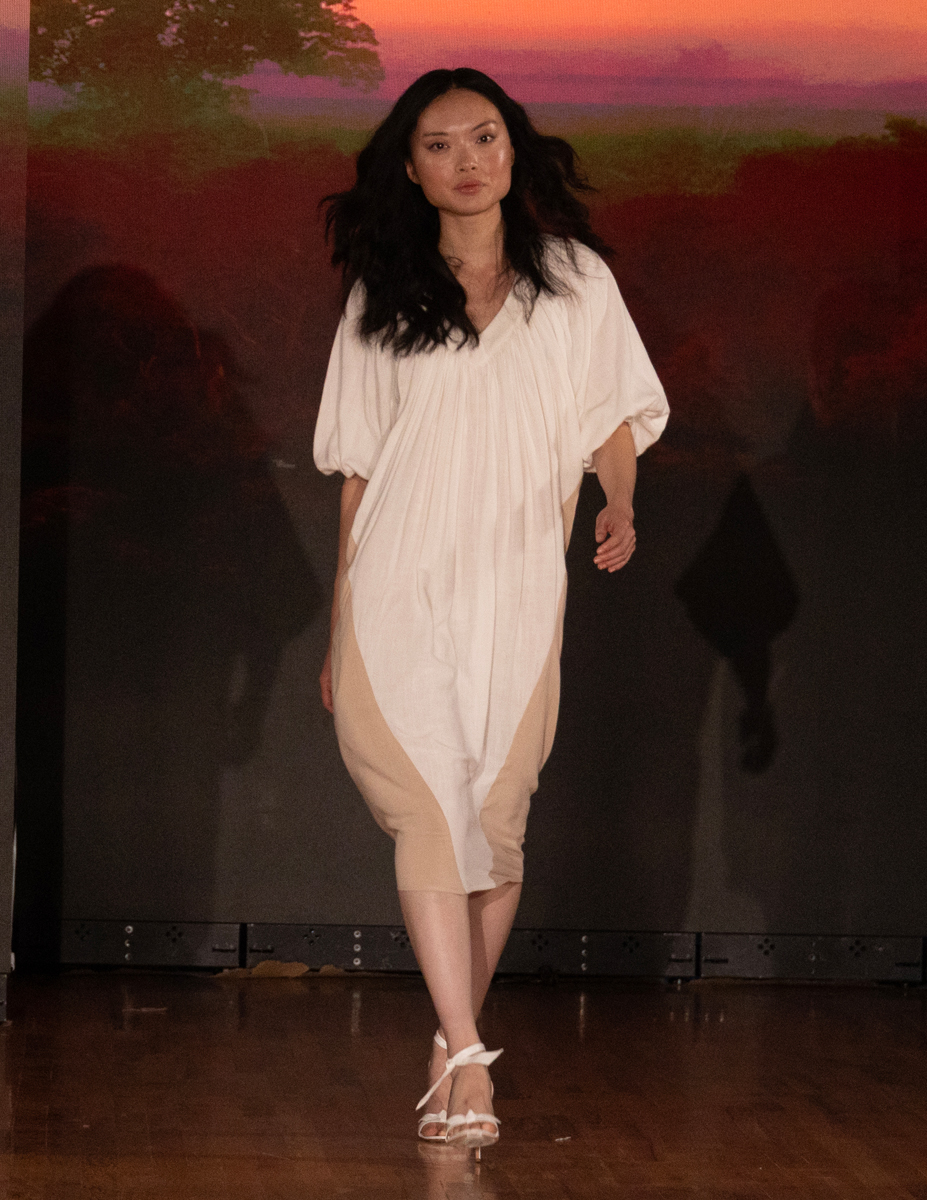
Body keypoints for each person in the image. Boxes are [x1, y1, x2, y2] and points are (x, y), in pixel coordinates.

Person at [314, 67, 668, 1151]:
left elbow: (611, 418)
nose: (466, 161)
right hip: (397, 584)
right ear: (409, 167)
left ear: (514, 150)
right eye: (439, 145)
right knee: (427, 815)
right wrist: (337, 626)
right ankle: (468, 1055)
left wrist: (617, 499)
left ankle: (447, 1043)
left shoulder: (574, 281)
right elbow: (358, 473)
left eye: (483, 138)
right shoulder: (382, 293)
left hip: (515, 584)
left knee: (494, 821)